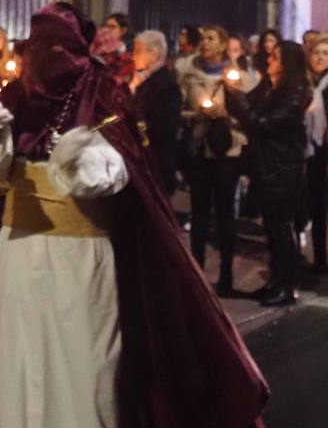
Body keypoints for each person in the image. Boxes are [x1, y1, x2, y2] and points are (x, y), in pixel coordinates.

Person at [0, 3, 270, 428]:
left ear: (80, 50)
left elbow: (121, 173)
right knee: (27, 365)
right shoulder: (14, 93)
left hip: (82, 251)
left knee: (87, 364)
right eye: (39, 44)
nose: (46, 57)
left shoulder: (104, 93)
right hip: (21, 249)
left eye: (58, 45)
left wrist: (84, 160)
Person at [226, 41, 313, 306]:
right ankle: (274, 281)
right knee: (272, 229)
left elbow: (261, 122)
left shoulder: (296, 93)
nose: (270, 60)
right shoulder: (269, 87)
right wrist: (236, 92)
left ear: (288, 63)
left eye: (276, 57)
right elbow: (249, 110)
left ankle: (286, 286)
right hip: (266, 165)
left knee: (281, 227)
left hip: (283, 168)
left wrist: (238, 99)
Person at [180, 25, 257, 296]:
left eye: (211, 39)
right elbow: (182, 112)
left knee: (226, 213)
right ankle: (196, 272)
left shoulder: (241, 78)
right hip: (202, 148)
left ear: (224, 45)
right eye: (202, 38)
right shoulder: (188, 75)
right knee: (200, 212)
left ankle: (226, 275)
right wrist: (199, 114)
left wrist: (229, 113)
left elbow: (251, 116)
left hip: (228, 151)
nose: (205, 43)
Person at [304, 34, 328, 275]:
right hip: (301, 149)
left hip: (324, 151)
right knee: (300, 205)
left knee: (320, 205)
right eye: (316, 53)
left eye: (325, 53)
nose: (320, 57)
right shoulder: (301, 82)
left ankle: (321, 259)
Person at [129, 29, 182, 196]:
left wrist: (132, 124)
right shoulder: (141, 82)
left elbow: (163, 128)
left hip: (155, 164)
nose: (132, 57)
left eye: (137, 51)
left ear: (153, 54)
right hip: (141, 164)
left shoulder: (167, 87)